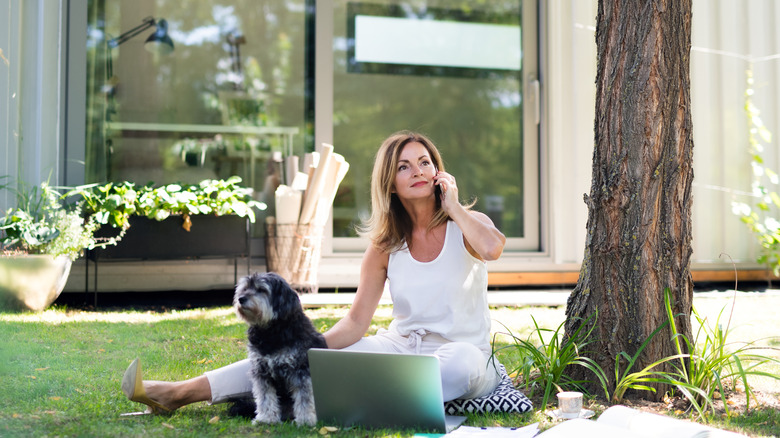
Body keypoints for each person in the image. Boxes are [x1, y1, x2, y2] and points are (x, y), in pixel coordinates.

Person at [122, 130, 507, 413]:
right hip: (400, 348)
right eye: (404, 166)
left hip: (464, 353)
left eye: (425, 162)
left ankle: (327, 399)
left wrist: (454, 207)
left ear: (439, 172)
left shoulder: (469, 223)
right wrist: (308, 350)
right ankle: (177, 393)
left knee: (457, 366)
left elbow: (492, 249)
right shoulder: (385, 244)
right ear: (390, 183)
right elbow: (357, 321)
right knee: (298, 355)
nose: (418, 171)